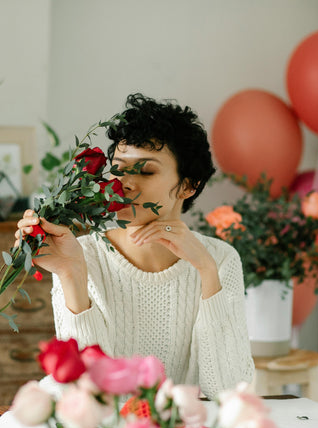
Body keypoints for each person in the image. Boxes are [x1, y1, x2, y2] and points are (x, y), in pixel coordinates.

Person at [14, 93, 254, 400]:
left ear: (188, 185)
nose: (124, 182)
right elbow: (84, 389)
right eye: (118, 167)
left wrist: (206, 272)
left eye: (146, 170)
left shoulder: (219, 260)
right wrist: (71, 272)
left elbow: (229, 391)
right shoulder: (81, 253)